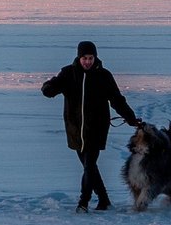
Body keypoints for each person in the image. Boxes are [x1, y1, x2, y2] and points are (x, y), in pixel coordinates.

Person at [41, 40, 141, 212]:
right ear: (79, 58)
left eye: (91, 58)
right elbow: (52, 87)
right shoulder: (68, 73)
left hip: (97, 128)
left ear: (95, 57)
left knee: (89, 165)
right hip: (75, 129)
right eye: (84, 58)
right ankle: (104, 200)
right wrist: (48, 88)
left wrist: (131, 119)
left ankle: (83, 202)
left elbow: (117, 100)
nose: (88, 61)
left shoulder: (104, 76)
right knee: (90, 168)